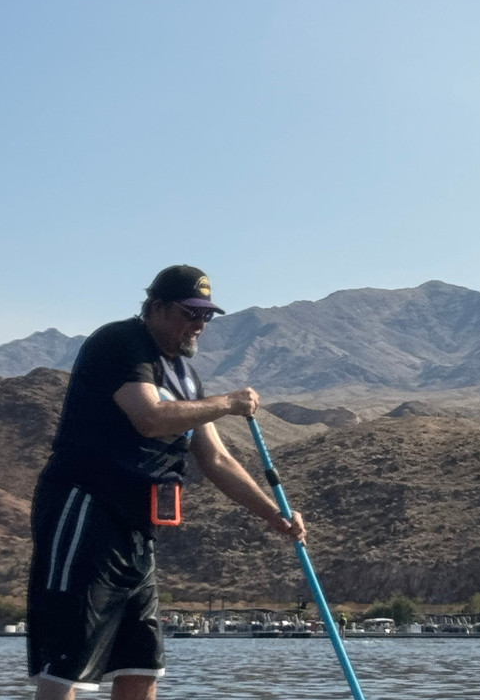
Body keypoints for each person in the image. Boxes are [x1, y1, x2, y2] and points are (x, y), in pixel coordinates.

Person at [27, 264, 306, 700]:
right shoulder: (120, 342)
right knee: (68, 659)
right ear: (156, 307)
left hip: (139, 528)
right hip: (86, 509)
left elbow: (215, 459)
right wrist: (229, 402)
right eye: (189, 313)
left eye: (206, 317)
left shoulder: (186, 377)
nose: (199, 325)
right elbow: (149, 417)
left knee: (140, 665)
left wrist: (274, 514)